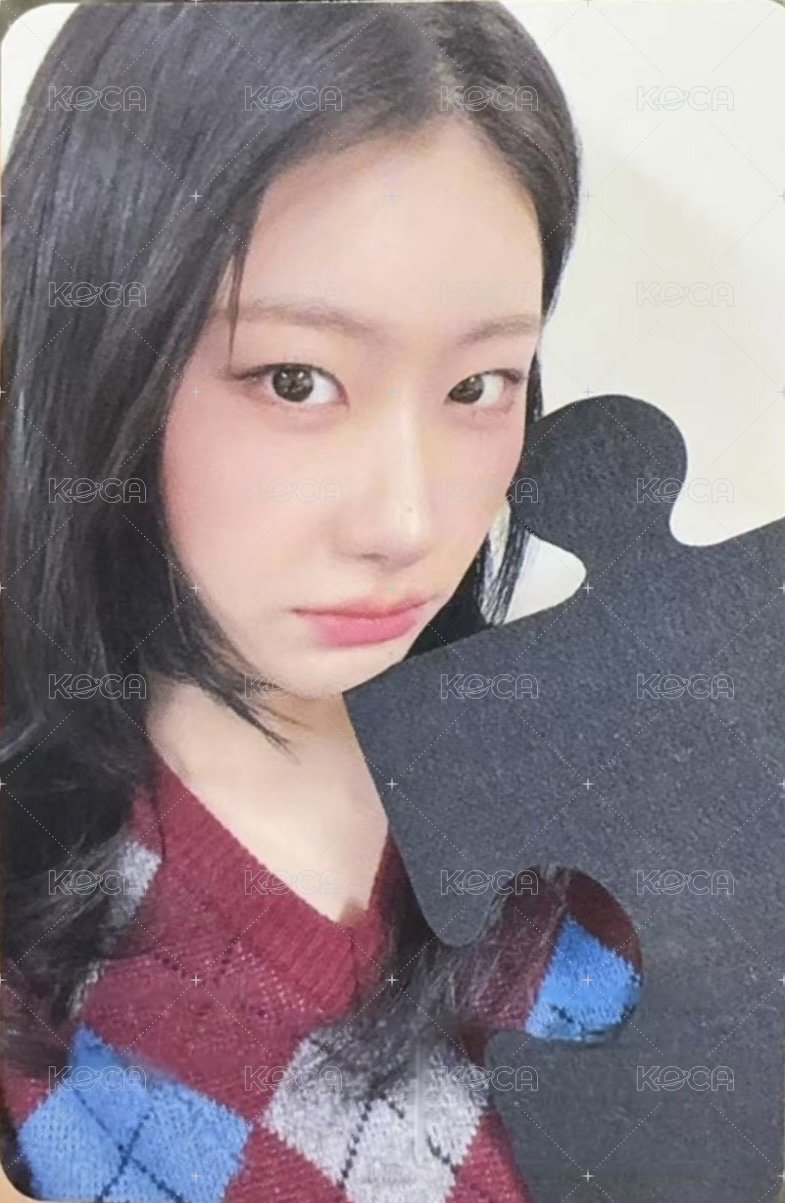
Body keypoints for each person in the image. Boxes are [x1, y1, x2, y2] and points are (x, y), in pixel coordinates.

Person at [0, 3, 641, 1198]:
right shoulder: (35, 951)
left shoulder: (617, 801)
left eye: (477, 385)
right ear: (93, 362)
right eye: (295, 380)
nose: (405, 521)